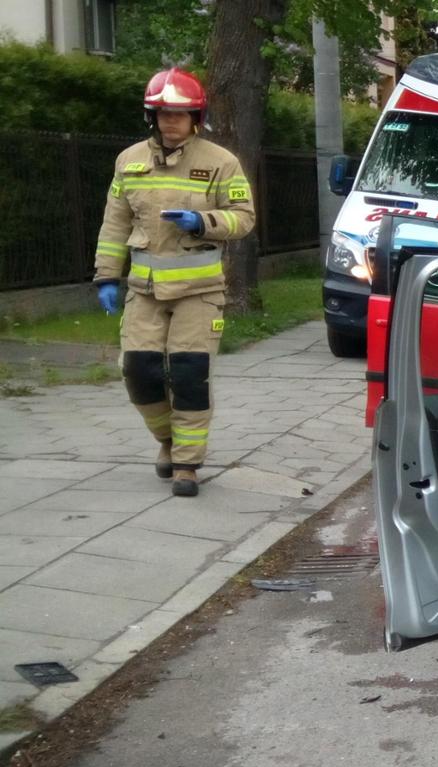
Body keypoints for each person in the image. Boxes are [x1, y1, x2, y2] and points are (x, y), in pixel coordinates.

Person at [92, 67, 257, 497]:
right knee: (138, 371)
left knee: (188, 374)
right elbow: (115, 224)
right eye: (163, 113)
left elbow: (244, 218)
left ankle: (187, 463)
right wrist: (107, 278)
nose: (170, 121)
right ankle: (167, 440)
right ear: (152, 116)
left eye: (179, 114)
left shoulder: (221, 163)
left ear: (195, 117)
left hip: (198, 292)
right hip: (144, 290)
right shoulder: (128, 162)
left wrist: (203, 222)